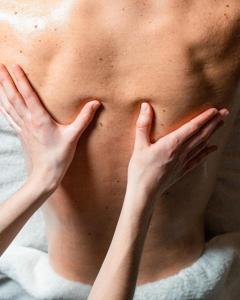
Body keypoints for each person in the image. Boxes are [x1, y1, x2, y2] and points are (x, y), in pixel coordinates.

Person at [0, 0, 239, 291]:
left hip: (65, 270)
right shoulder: (227, 17)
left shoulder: (10, 17)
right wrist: (143, 190)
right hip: (177, 263)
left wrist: (43, 177)